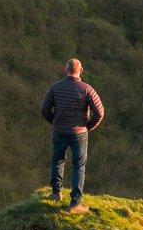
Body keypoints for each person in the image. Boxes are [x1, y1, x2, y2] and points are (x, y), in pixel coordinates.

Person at [41, 58, 105, 213]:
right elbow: (100, 113)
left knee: (57, 161)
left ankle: (56, 194)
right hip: (79, 134)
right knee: (79, 166)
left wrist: (55, 123)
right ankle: (75, 203)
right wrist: (88, 127)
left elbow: (44, 109)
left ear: (66, 70)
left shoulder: (55, 87)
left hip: (60, 131)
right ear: (81, 71)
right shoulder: (87, 89)